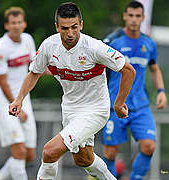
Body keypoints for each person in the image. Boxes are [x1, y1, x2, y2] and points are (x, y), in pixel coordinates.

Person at [9, 2, 136, 180]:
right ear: (57, 27)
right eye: (65, 28)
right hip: (70, 109)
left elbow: (128, 70)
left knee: (49, 152)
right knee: (83, 159)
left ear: (81, 25)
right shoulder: (49, 46)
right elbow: (34, 73)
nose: (70, 33)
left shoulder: (94, 47)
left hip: (95, 110)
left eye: (74, 27)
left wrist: (119, 103)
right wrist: (19, 100)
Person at [101, 1, 167, 179]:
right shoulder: (114, 43)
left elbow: (154, 68)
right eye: (130, 15)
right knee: (110, 153)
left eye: (138, 16)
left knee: (149, 146)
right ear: (125, 16)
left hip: (140, 106)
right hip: (116, 105)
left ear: (143, 18)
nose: (134, 20)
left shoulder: (149, 44)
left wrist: (161, 91)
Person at [0, 7, 37, 180]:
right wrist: (17, 105)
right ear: (7, 25)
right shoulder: (1, 47)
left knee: (29, 155)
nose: (16, 26)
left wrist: (59, 70)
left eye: (19, 22)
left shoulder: (28, 40)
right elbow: (2, 82)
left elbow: (35, 68)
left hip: (24, 99)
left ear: (24, 24)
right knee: (19, 151)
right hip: (6, 102)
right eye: (13, 23)